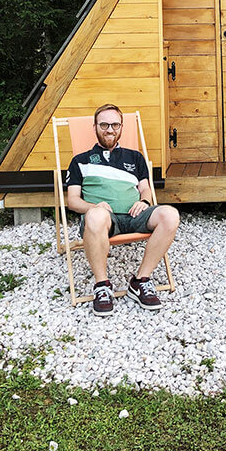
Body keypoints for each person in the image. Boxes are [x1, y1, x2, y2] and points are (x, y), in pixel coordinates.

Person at [65, 103, 179, 317]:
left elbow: (145, 189)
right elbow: (73, 201)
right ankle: (102, 286)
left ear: (121, 127)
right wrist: (94, 206)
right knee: (97, 216)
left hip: (135, 216)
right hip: (103, 220)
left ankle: (140, 281)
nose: (110, 130)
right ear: (95, 127)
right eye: (104, 124)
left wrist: (144, 202)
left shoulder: (135, 157)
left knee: (170, 215)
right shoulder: (80, 161)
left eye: (115, 124)